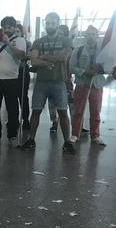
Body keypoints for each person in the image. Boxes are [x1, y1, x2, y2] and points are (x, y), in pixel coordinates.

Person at [21, 12, 76, 154]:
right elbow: (34, 61)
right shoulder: (38, 42)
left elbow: (64, 57)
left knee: (63, 112)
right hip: (42, 82)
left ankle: (67, 142)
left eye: (52, 23)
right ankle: (31, 140)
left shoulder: (66, 40)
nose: (50, 26)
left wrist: (44, 57)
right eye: (48, 23)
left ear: (58, 23)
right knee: (36, 111)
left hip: (59, 81)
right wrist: (50, 59)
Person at [0, 17, 27, 146]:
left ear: (14, 28)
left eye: (9, 27)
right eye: (5, 27)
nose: (7, 29)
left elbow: (22, 56)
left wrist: (8, 43)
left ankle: (12, 136)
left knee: (12, 108)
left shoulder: (20, 40)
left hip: (11, 79)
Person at [69, 25, 107, 146]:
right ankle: (75, 133)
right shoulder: (78, 50)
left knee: (96, 111)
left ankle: (95, 135)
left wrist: (100, 69)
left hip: (97, 84)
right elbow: (71, 67)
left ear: (97, 36)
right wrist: (85, 72)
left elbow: (108, 66)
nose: (91, 36)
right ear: (85, 35)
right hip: (82, 84)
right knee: (78, 110)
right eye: (88, 34)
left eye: (93, 34)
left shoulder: (103, 51)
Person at [16, 23, 32, 129]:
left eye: (18, 31)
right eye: (15, 31)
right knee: (13, 97)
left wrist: (25, 57)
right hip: (12, 72)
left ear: (22, 32)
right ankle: (14, 118)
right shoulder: (11, 42)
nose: (16, 33)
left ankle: (25, 119)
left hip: (23, 71)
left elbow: (29, 55)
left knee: (23, 96)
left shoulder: (27, 43)